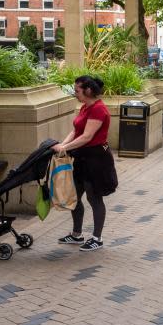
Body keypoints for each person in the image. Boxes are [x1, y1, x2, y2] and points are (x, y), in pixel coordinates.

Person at [53, 75, 118, 252]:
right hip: (82, 157)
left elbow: (87, 136)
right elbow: (76, 131)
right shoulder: (85, 107)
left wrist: (64, 147)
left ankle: (97, 238)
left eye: (77, 90)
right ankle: (76, 234)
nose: (75, 93)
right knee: (74, 196)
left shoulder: (98, 109)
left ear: (88, 90)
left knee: (93, 197)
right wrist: (63, 146)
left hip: (96, 159)